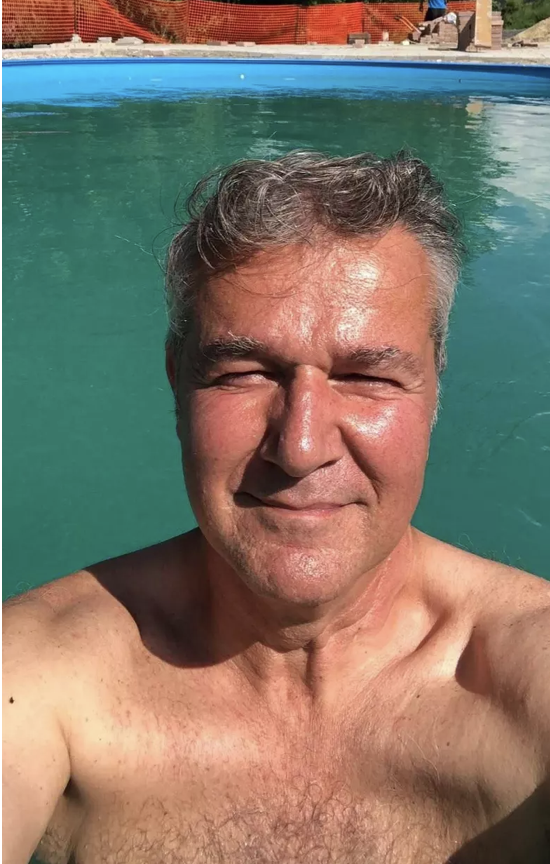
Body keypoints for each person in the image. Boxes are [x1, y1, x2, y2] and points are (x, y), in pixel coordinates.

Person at [3, 151, 550, 864]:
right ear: (176, 380)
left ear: (435, 388)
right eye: (245, 372)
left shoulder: (530, 679)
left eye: (367, 376)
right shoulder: (38, 678)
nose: (299, 447)